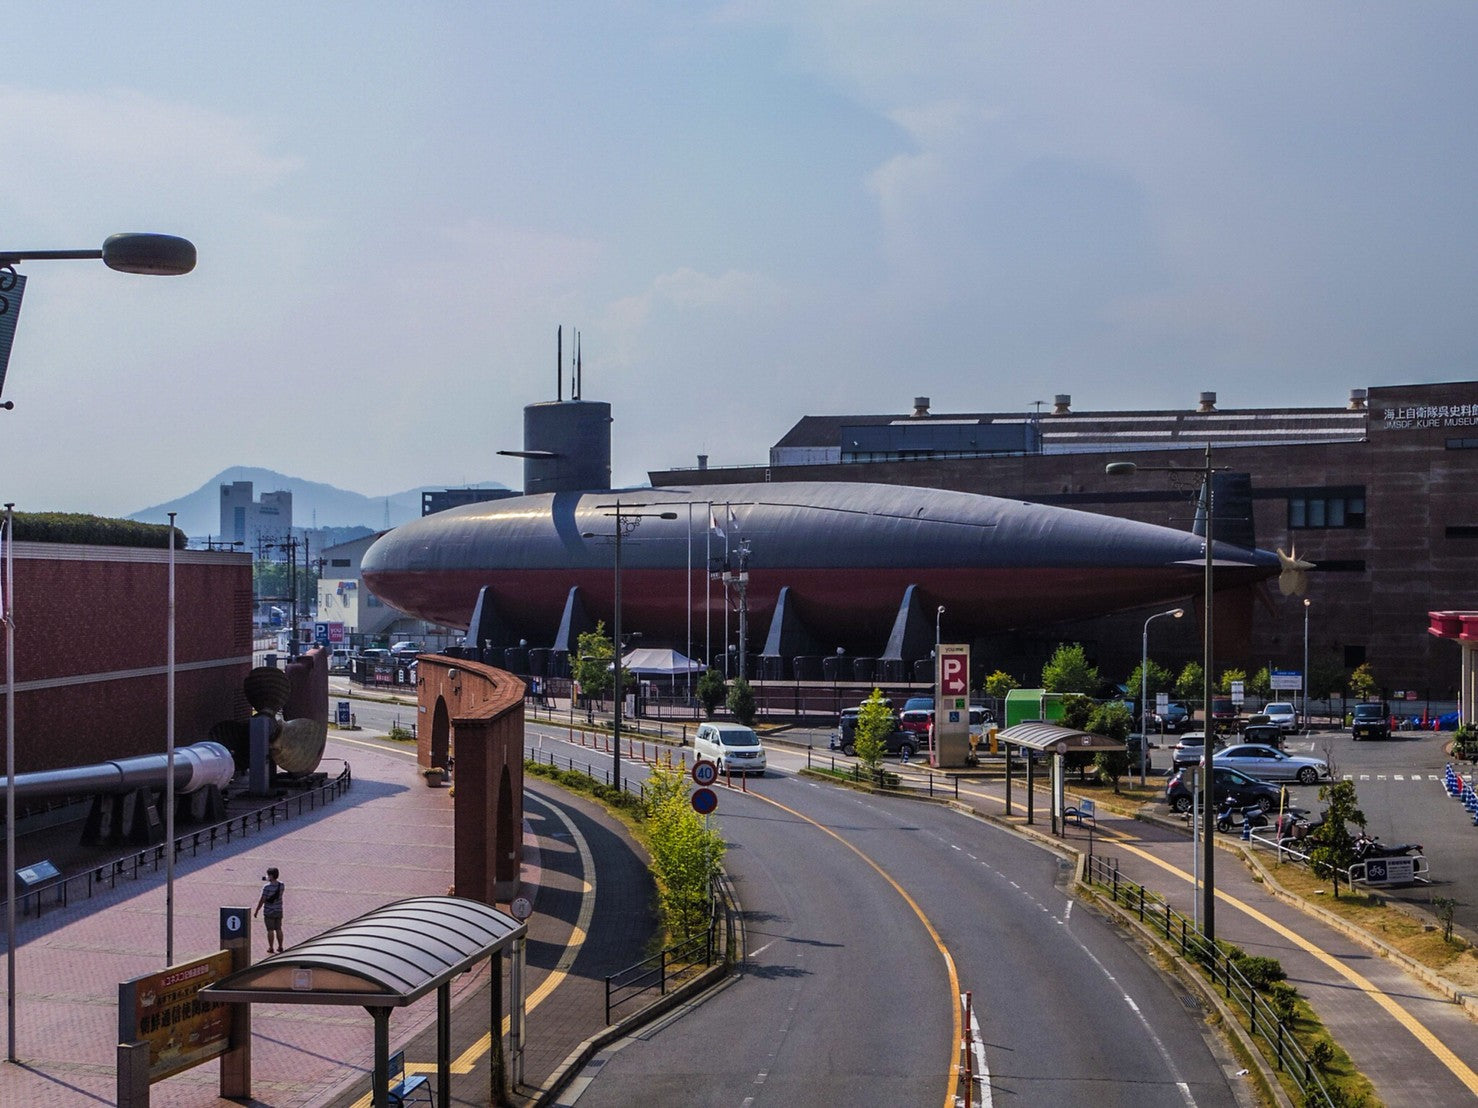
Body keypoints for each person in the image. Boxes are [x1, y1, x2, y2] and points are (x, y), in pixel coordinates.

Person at [254, 867, 285, 953]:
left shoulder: (266, 887)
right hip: (279, 910)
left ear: (271, 876)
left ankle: (271, 947)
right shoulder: (281, 885)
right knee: (279, 929)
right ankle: (280, 946)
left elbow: (262, 900)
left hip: (269, 911)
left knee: (270, 930)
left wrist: (257, 910)